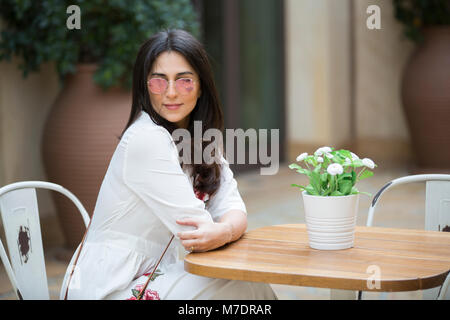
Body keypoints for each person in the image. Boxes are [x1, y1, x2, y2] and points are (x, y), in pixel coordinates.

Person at [60, 29, 277, 300]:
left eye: (184, 81)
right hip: (107, 287)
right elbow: (196, 232)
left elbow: (232, 207)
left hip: (155, 275)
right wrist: (224, 230)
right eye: (159, 81)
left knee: (248, 283)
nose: (171, 93)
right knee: (244, 285)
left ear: (201, 87)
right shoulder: (146, 139)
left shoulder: (203, 141)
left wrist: (224, 230)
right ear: (145, 87)